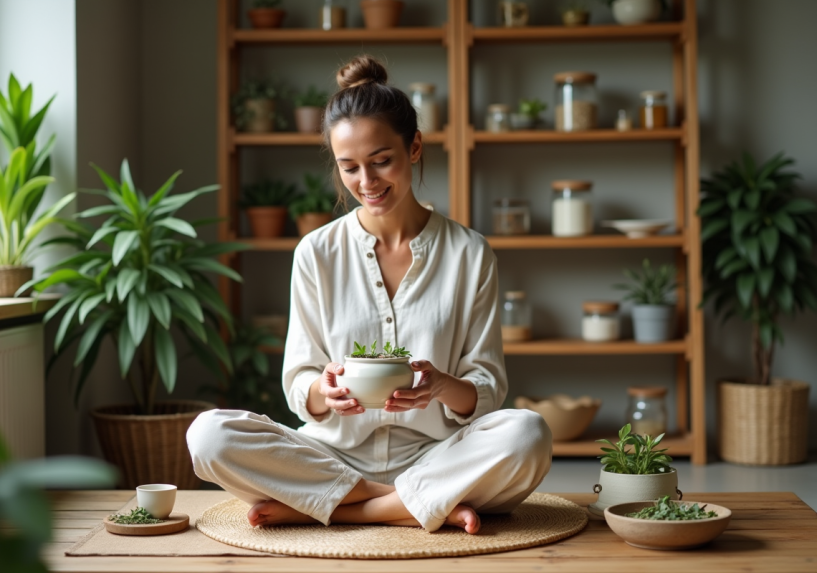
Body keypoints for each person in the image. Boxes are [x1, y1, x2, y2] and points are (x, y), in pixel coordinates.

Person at [187, 55, 552, 535]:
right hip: (329, 453)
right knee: (208, 436)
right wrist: (325, 390)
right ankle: (414, 505)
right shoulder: (316, 252)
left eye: (381, 161)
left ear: (415, 146)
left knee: (528, 434)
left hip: (437, 454)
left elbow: (485, 386)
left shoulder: (469, 253)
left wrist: (440, 385)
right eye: (349, 167)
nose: (367, 183)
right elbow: (300, 380)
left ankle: (340, 507)